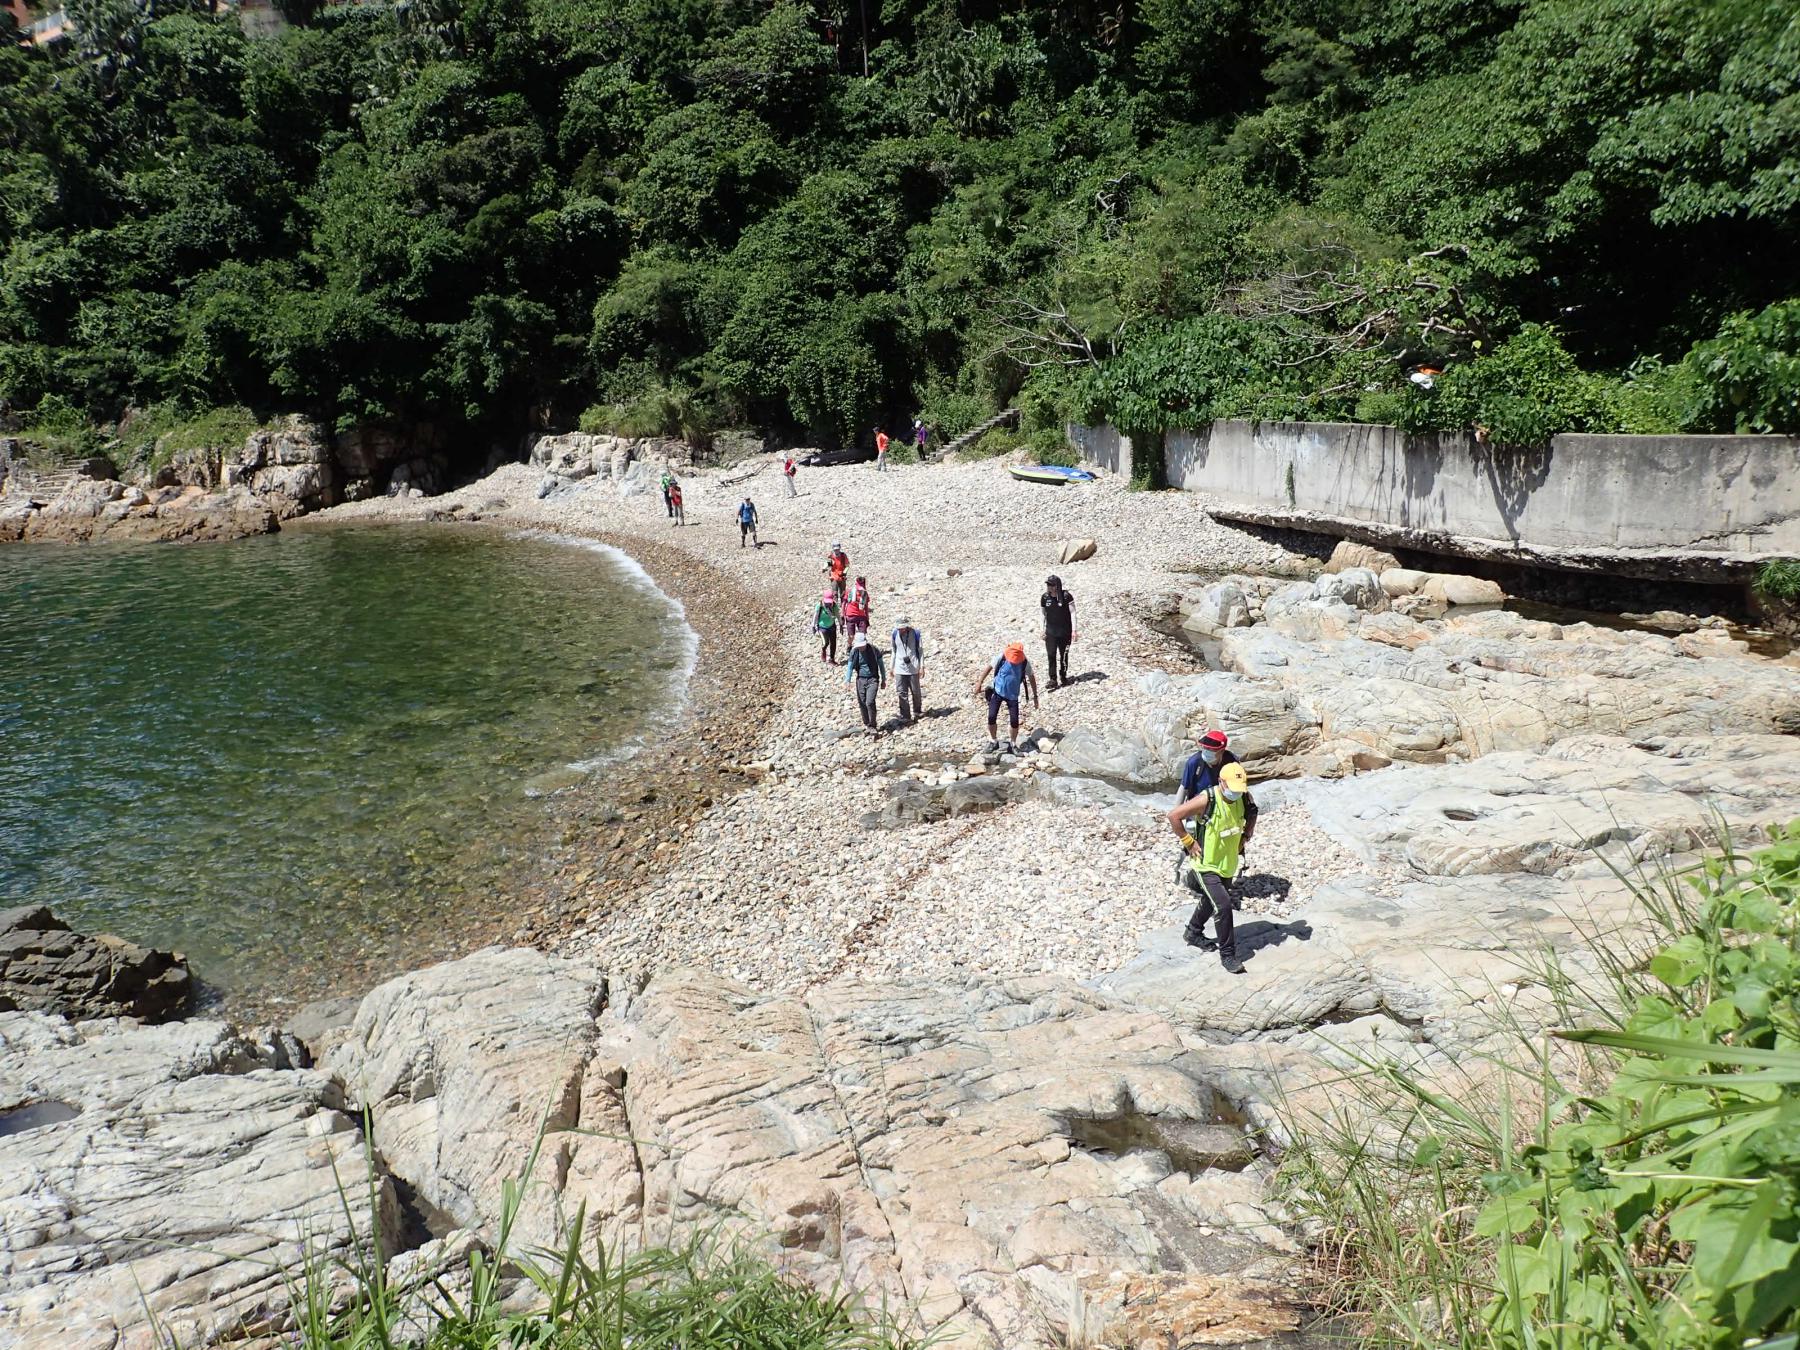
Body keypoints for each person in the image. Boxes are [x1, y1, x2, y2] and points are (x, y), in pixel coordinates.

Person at [1167, 760, 1257, 975]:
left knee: (1211, 899)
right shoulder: (1207, 799)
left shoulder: (1243, 796)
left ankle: (1193, 932)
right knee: (1223, 906)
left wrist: (1246, 836)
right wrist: (1189, 842)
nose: (1236, 793)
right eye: (1233, 789)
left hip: (1227, 863)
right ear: (1221, 782)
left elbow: (1253, 811)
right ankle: (1228, 955)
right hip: (1206, 863)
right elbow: (1173, 816)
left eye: (1240, 789)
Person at [976, 642, 1038, 754]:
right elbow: (989, 667)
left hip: (1013, 695)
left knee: (1014, 721)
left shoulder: (1024, 662)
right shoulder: (1002, 656)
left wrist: (1035, 696)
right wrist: (979, 682)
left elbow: (1031, 677)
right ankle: (993, 741)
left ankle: (1013, 744)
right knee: (991, 716)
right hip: (997, 691)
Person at [845, 631, 886, 735]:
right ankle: (867, 723)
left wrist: (883, 679)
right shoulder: (854, 652)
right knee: (862, 702)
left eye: (862, 645)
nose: (861, 648)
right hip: (860, 679)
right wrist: (847, 680)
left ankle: (873, 725)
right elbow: (850, 666)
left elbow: (881, 665)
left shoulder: (874, 650)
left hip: (873, 679)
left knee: (870, 702)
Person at [1040, 574, 1075, 689]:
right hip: (1051, 632)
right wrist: (1042, 629)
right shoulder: (1045, 597)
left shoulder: (1066, 596)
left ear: (1057, 586)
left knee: (1064, 655)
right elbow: (1043, 614)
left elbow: (1073, 613)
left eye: (1051, 585)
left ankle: (1063, 676)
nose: (1049, 587)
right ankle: (1053, 679)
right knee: (1051, 655)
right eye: (1048, 585)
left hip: (1065, 632)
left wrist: (1074, 630)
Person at [891, 617, 923, 722]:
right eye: (899, 628)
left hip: (913, 667)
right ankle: (905, 715)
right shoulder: (894, 633)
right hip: (899, 667)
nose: (900, 630)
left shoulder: (916, 633)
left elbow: (920, 651)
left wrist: (922, 667)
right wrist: (891, 666)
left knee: (916, 691)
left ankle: (917, 711)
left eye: (902, 628)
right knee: (901, 692)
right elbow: (894, 650)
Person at [814, 587, 840, 663]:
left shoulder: (834, 605)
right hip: (822, 628)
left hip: (832, 626)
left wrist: (841, 624)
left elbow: (837, 615)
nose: (828, 603)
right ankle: (823, 650)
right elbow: (815, 616)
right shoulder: (819, 606)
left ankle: (832, 659)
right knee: (825, 643)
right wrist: (813, 625)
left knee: (833, 643)